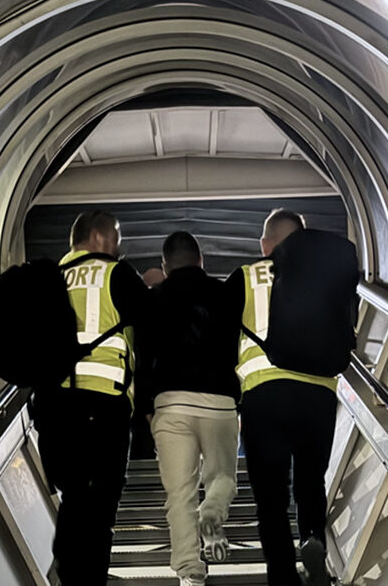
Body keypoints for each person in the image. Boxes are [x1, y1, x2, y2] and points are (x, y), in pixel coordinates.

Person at [227, 209, 349, 586]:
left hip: (264, 395)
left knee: (271, 497)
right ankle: (312, 536)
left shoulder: (245, 277)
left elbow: (222, 340)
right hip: (318, 393)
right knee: (311, 479)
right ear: (303, 240)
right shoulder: (323, 275)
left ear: (265, 244)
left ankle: (282, 576)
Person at [31, 211, 151, 586]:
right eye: (116, 236)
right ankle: (90, 579)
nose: (119, 245)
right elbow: (153, 328)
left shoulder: (46, 278)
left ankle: (69, 574)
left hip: (53, 409)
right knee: (100, 506)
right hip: (103, 404)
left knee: (73, 498)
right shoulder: (115, 274)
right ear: (98, 237)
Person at [140, 231, 240, 586]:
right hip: (219, 401)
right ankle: (212, 510)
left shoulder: (153, 299)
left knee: (179, 493)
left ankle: (190, 571)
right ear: (201, 260)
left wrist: (146, 407)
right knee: (222, 478)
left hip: (170, 404)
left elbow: (142, 357)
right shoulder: (226, 294)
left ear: (165, 266)